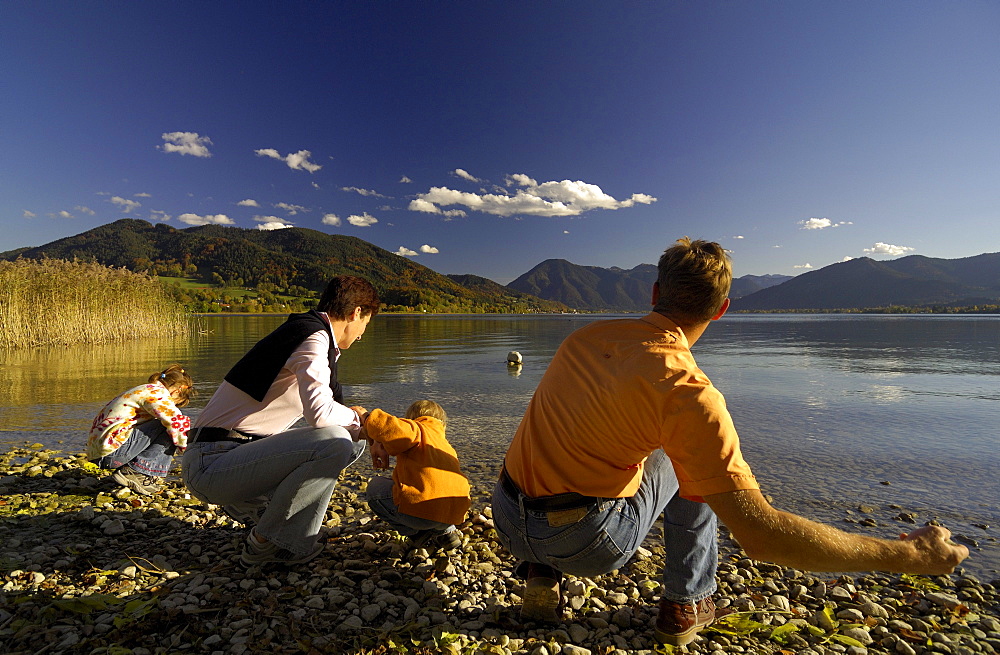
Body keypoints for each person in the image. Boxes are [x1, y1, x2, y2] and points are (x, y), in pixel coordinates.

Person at [491, 237, 969, 646]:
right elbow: (761, 536)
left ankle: (539, 573)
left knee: (582, 444)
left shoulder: (585, 338)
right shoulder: (689, 394)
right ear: (721, 310)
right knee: (689, 467)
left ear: (656, 292)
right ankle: (687, 603)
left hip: (506, 518)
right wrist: (910, 556)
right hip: (584, 542)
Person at [182, 275, 379, 568]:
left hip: (230, 457)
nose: (363, 332)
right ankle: (269, 544)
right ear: (356, 313)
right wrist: (363, 419)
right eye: (366, 322)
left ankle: (257, 508)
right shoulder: (314, 338)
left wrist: (371, 433)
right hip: (211, 465)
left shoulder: (304, 333)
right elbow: (321, 414)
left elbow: (332, 412)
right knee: (337, 442)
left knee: (351, 439)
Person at [360, 400, 471, 553]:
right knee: (436, 488)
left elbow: (388, 427)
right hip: (454, 514)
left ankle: (417, 534)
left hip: (420, 513)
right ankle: (446, 533)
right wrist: (381, 443)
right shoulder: (445, 446)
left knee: (375, 488)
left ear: (412, 419)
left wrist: (367, 417)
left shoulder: (418, 429)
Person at [87, 364, 194, 496]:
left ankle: (131, 469)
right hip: (111, 454)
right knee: (170, 425)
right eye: (176, 402)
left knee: (162, 423)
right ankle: (138, 472)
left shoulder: (144, 390)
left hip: (99, 453)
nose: (173, 404)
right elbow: (176, 422)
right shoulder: (158, 395)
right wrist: (190, 452)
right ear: (177, 391)